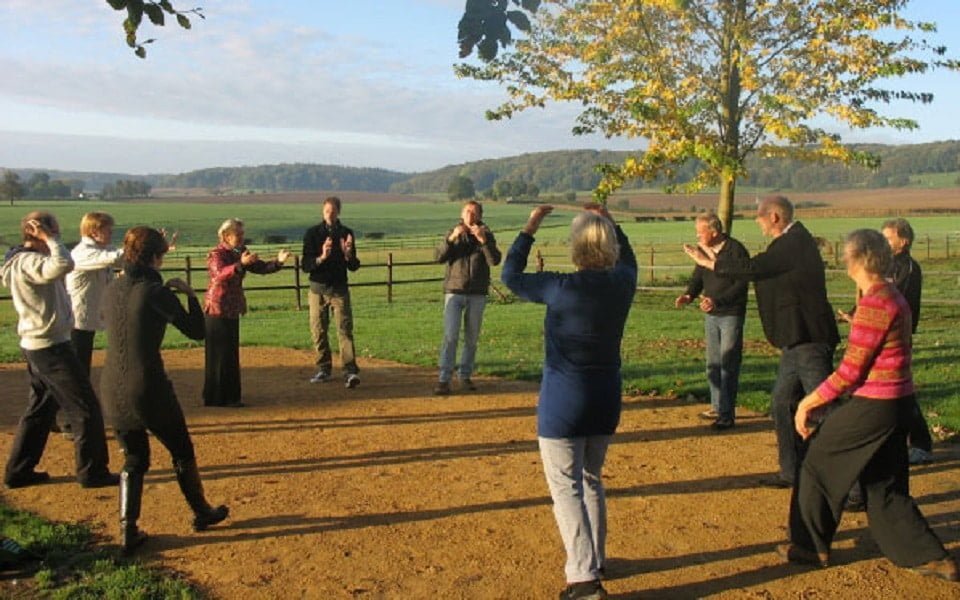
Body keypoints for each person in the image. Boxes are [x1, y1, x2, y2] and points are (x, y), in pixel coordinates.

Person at [778, 229, 957, 583]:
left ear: (857, 259)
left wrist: (807, 404)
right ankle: (931, 557)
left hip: (877, 403)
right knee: (883, 485)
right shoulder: (890, 295)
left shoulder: (876, 303)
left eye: (846, 255)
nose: (843, 260)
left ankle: (809, 546)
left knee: (816, 462)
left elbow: (849, 372)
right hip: (899, 402)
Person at [502, 204, 637, 600]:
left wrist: (531, 226)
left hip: (564, 401)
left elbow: (510, 275)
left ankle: (583, 578)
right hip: (606, 398)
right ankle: (594, 559)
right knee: (592, 480)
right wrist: (611, 219)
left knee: (566, 488)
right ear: (609, 245)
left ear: (575, 247)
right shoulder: (623, 282)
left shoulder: (560, 287)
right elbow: (627, 257)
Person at [683, 196, 839, 488]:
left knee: (826, 407)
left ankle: (855, 484)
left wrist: (709, 262)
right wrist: (709, 264)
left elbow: (754, 268)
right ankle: (791, 473)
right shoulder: (790, 242)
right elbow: (759, 269)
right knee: (782, 403)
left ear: (775, 217)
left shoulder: (792, 243)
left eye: (759, 216)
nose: (756, 221)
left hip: (809, 338)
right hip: (794, 338)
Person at [100, 226, 229, 554]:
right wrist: (188, 294)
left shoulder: (112, 288)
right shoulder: (155, 292)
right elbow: (198, 331)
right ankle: (202, 512)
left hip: (111, 385)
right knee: (181, 450)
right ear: (156, 257)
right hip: (147, 385)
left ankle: (128, 530)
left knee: (134, 458)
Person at [1, 211, 118, 489]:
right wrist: (50, 238)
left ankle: (19, 470)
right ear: (38, 231)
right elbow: (65, 263)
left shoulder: (22, 260)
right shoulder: (29, 261)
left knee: (40, 409)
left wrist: (47, 239)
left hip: (40, 343)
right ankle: (92, 473)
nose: (58, 232)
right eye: (53, 228)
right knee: (86, 409)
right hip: (49, 346)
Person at [840, 218, 932, 465]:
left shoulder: (909, 268)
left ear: (903, 241)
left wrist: (873, 314)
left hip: (898, 336)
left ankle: (921, 443)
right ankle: (891, 438)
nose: (884, 242)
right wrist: (854, 312)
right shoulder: (886, 266)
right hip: (878, 332)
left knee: (901, 390)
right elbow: (872, 293)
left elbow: (892, 298)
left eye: (888, 238)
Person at [203, 218, 290, 407]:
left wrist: (278, 262)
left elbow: (260, 268)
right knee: (219, 354)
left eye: (243, 234)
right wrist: (240, 264)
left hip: (231, 308)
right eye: (239, 234)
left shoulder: (240, 252)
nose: (243, 238)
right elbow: (219, 274)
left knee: (230, 353)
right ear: (226, 236)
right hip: (217, 308)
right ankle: (217, 397)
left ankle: (229, 397)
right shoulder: (216, 254)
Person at [675, 212, 749, 430]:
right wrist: (689, 295)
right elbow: (699, 275)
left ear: (714, 232)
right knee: (713, 364)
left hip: (730, 314)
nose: (697, 236)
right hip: (711, 316)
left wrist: (717, 301)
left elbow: (740, 284)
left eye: (701, 231)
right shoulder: (704, 251)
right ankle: (717, 406)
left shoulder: (735, 250)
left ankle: (727, 414)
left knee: (728, 364)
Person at [434, 200, 502, 395]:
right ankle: (444, 379)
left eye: (474, 212)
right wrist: (453, 238)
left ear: (480, 216)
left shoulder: (486, 235)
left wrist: (484, 241)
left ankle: (465, 375)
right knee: (451, 336)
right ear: (461, 214)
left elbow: (494, 260)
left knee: (471, 338)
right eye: (467, 212)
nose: (470, 216)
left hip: (477, 293)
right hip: (454, 291)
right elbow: (438, 257)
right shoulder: (453, 233)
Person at [301, 196, 362, 388]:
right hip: (317, 290)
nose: (330, 214)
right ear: (322, 211)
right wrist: (322, 257)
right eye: (327, 211)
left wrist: (348, 254)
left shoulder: (346, 234)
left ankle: (350, 371)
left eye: (333, 211)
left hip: (339, 289)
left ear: (339, 212)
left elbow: (353, 266)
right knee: (318, 330)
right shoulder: (312, 234)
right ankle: (323, 369)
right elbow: (306, 265)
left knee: (344, 330)